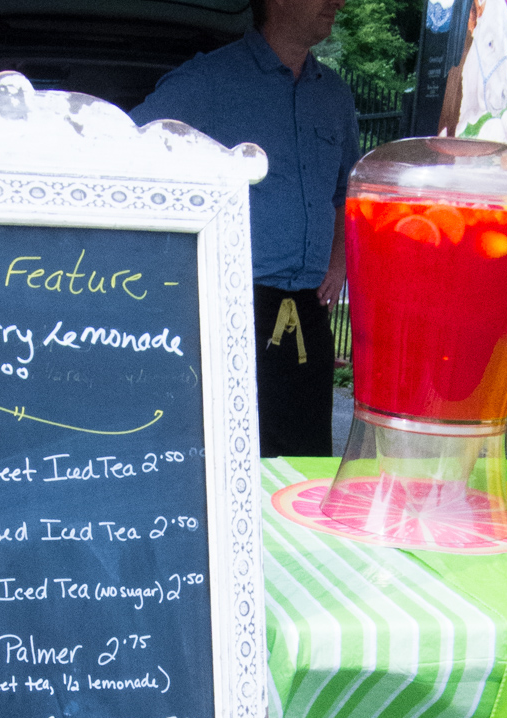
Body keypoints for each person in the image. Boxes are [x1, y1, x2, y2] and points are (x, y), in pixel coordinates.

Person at [131, 0, 360, 457]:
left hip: (310, 313)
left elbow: (345, 192)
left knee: (304, 460)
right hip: (229, 310)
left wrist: (339, 262)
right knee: (229, 456)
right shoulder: (209, 81)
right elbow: (131, 150)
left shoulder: (334, 95)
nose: (337, 2)